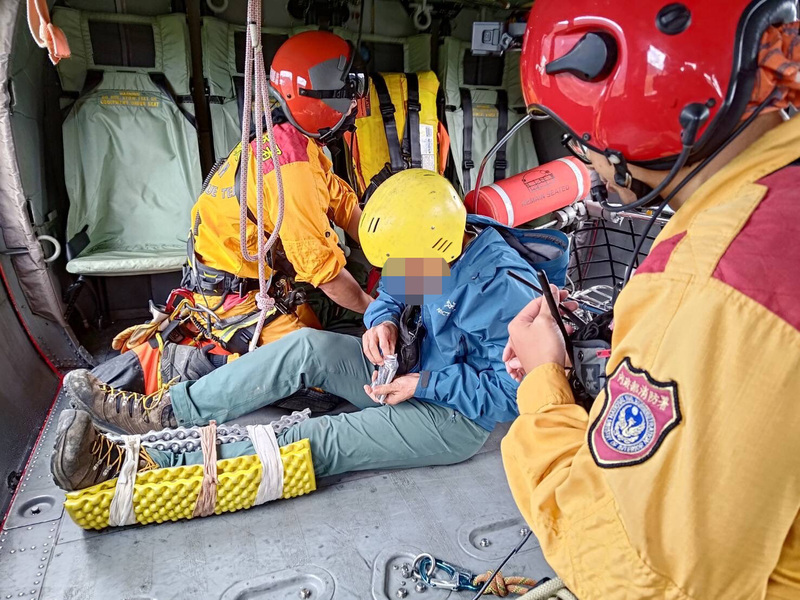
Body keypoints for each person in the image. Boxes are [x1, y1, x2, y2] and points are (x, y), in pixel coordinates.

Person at [501, 1, 800, 598]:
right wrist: (382, 321)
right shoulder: (420, 268)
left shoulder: (718, 286)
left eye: (575, 135)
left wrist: (540, 381)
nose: (582, 154)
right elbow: (397, 296)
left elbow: (634, 573)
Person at [51, 169, 569, 492]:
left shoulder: (499, 288)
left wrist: (424, 386)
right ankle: (164, 413)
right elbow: (392, 293)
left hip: (454, 415)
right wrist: (381, 321)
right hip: (409, 372)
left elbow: (514, 395)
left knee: (318, 437)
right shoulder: (438, 247)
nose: (400, 271)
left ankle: (136, 467)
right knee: (304, 346)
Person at [84, 30, 374, 398]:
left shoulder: (297, 144)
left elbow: (347, 207)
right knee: (319, 386)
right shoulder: (290, 167)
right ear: (320, 101)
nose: (354, 105)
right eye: (348, 95)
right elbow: (325, 271)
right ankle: (187, 362)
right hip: (238, 299)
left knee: (357, 297)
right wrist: (374, 310)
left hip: (265, 284)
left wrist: (402, 256)